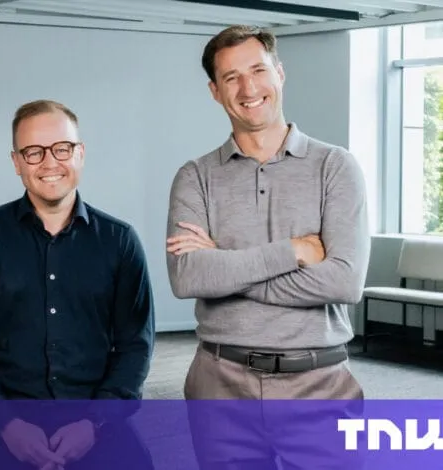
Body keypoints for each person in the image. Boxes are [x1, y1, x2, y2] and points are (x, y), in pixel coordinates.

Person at [165, 25, 370, 469]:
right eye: (231, 77)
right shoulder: (194, 177)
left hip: (319, 387)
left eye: (258, 70)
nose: (248, 87)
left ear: (280, 73)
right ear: (215, 91)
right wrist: (291, 251)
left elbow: (344, 280)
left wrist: (225, 266)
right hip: (219, 388)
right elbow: (188, 278)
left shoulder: (335, 166)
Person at [0, 99, 156, 470]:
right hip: (2, 428)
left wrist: (94, 423)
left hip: (95, 424)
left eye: (62, 148)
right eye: (33, 152)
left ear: (80, 153)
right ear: (16, 163)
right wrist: (7, 425)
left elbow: (135, 346)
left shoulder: (120, 241)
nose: (49, 162)